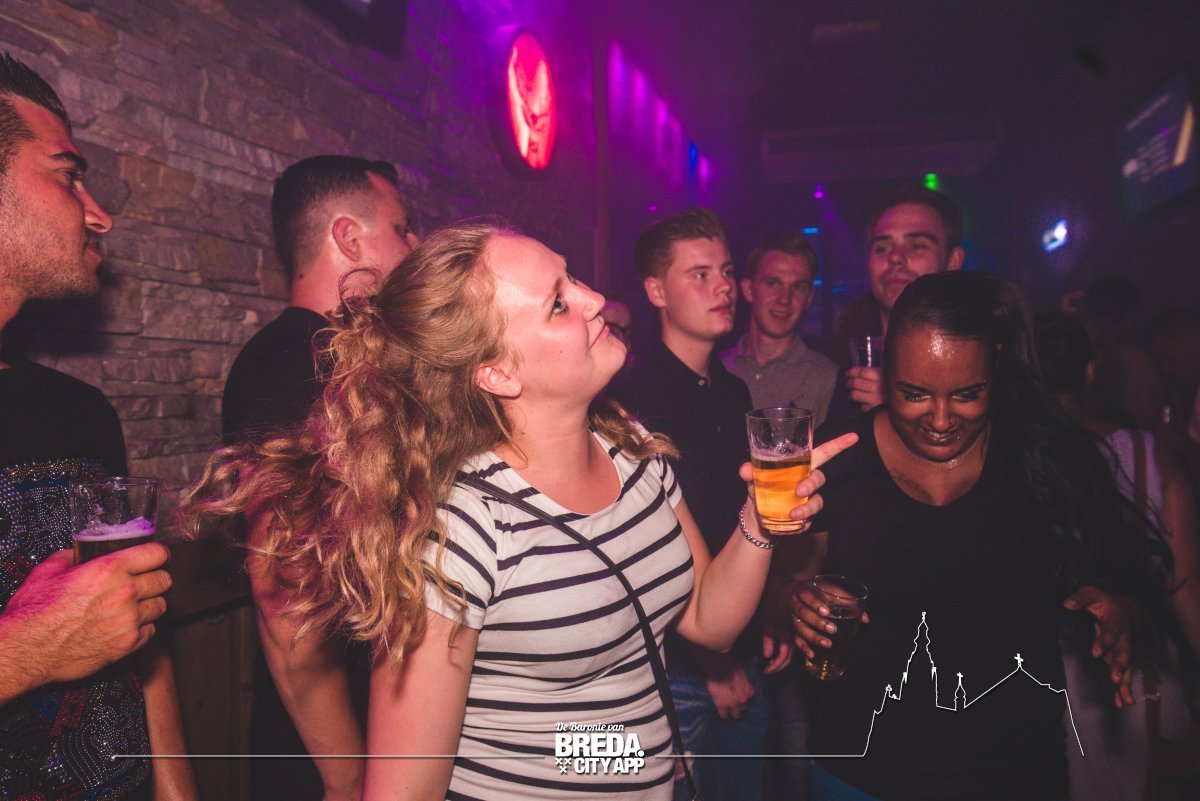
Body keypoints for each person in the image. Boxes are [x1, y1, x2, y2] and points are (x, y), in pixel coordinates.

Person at [185, 221, 857, 800]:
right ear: (497, 372)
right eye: (560, 303)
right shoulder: (459, 527)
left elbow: (708, 620)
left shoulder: (631, 448)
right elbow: (407, 787)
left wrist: (759, 523)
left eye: (574, 279)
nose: (596, 299)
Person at [789, 271, 1167, 801]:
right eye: (914, 394)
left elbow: (1135, 585)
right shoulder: (837, 458)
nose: (941, 419)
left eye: (967, 395)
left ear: (996, 370)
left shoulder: (1044, 457)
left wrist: (1122, 611)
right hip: (860, 774)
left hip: (1014, 776)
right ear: (884, 371)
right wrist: (798, 603)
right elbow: (783, 586)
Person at [0, 53, 192, 800]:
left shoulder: (80, 411)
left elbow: (134, 626)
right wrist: (25, 650)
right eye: (67, 174)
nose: (98, 212)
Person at [221, 154, 419, 801]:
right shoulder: (293, 364)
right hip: (328, 747)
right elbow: (282, 592)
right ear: (348, 238)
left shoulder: (343, 357)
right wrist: (346, 776)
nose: (413, 244)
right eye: (401, 228)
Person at [608, 209, 783, 801]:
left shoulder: (733, 391)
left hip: (739, 647)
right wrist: (713, 664)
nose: (724, 287)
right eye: (700, 274)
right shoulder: (628, 399)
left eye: (727, 272)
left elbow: (731, 516)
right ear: (656, 291)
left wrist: (765, 619)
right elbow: (639, 551)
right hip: (677, 671)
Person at [1035, 311, 1200, 800]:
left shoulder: (1010, 459)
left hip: (1048, 680)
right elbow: (1185, 587)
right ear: (1090, 370)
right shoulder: (1148, 453)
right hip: (1137, 677)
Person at [831, 186, 964, 414]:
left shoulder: (976, 367)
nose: (894, 257)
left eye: (917, 245)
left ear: (953, 261)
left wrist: (894, 409)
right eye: (882, 248)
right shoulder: (843, 363)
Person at [721, 232, 838, 427]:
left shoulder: (827, 378)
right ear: (749, 290)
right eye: (773, 284)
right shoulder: (715, 369)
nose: (784, 299)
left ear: (809, 298)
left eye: (798, 287)